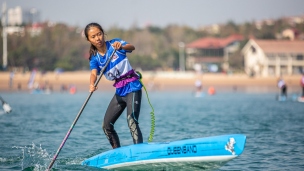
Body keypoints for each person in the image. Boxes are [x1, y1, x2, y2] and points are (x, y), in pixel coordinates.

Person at [84, 23, 143, 149]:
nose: (98, 38)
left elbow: (131, 47)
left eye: (99, 34)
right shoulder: (94, 58)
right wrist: (91, 84)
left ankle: (139, 150)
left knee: (131, 120)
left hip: (132, 86)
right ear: (89, 40)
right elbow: (94, 73)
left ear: (103, 33)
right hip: (120, 91)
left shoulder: (114, 44)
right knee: (106, 126)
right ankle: (117, 152)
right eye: (93, 36)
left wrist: (121, 46)